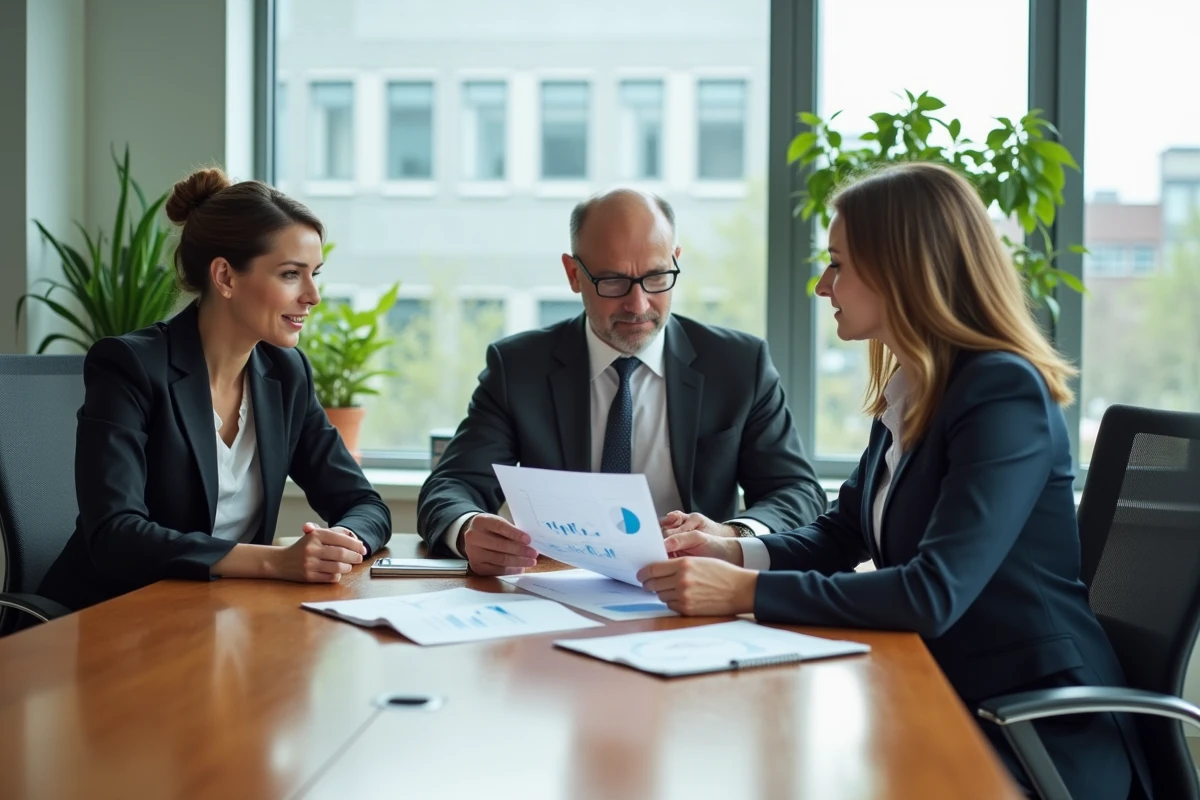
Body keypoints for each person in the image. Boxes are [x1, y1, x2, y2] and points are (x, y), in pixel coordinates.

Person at [635, 163, 1150, 799]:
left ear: (902, 270)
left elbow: (932, 593)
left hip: (1031, 725)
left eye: (838, 265)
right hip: (939, 688)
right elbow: (843, 532)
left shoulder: (1001, 393)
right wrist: (731, 551)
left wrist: (745, 591)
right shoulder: (914, 388)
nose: (823, 286)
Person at [417, 188, 825, 574]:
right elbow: (451, 486)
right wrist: (467, 530)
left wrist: (732, 535)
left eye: (656, 277)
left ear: (676, 260)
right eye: (613, 281)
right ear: (573, 274)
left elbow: (797, 492)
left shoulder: (738, 365)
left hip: (698, 591)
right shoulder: (519, 368)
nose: (638, 304)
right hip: (558, 591)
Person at [40, 168, 392, 610]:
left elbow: (364, 504)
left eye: (314, 274)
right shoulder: (131, 366)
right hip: (110, 615)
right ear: (225, 276)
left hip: (215, 614)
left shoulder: (287, 375)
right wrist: (275, 562)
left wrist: (340, 541)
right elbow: (116, 535)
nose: (312, 296)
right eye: (290, 274)